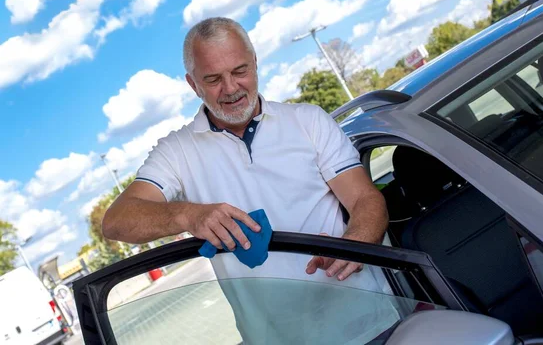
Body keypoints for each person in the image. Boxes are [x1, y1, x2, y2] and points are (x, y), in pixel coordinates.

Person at [102, 17, 399, 344]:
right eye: (213, 79)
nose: (230, 89)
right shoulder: (176, 151)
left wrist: (355, 244)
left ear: (255, 62)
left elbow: (365, 200)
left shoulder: (308, 121)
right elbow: (116, 222)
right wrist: (189, 215)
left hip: (371, 322)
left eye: (239, 71)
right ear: (193, 84)